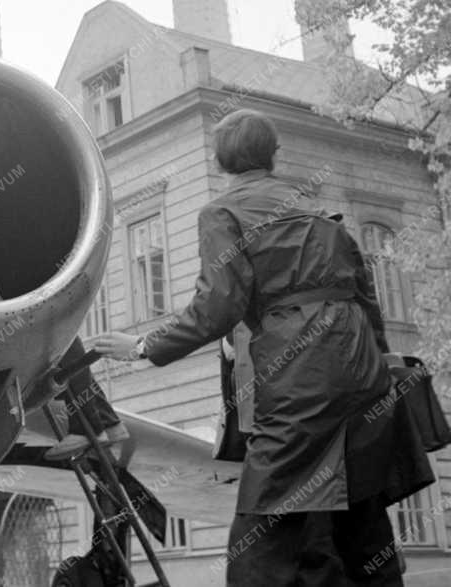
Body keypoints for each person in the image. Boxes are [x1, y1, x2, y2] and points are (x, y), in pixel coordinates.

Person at [93, 108, 432, 586]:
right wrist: (377, 363)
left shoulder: (222, 213)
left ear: (219, 163)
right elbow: (366, 298)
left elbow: (218, 304)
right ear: (274, 156)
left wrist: (143, 345)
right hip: (363, 373)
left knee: (263, 524)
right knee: (361, 516)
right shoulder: (321, 216)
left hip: (301, 375)